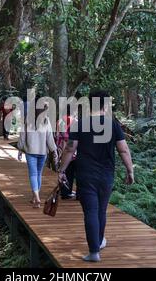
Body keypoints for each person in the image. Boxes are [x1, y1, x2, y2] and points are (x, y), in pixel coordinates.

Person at [58, 90, 135, 262]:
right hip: (106, 175)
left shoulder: (80, 124)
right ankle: (99, 242)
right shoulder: (112, 124)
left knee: (91, 211)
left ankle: (94, 251)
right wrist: (130, 170)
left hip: (85, 174)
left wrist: (62, 170)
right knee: (101, 209)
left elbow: (70, 148)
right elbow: (123, 149)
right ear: (105, 105)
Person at [17, 103, 58, 208]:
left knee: (33, 174)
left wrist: (20, 149)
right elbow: (50, 137)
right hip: (42, 152)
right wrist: (54, 150)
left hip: (31, 151)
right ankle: (35, 197)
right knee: (38, 174)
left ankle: (37, 197)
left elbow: (22, 136)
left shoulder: (28, 119)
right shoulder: (46, 120)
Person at [55, 105, 77, 199]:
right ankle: (79, 194)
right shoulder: (76, 122)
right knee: (77, 172)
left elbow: (57, 136)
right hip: (74, 150)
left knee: (66, 171)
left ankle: (65, 192)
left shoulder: (59, 122)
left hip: (62, 149)